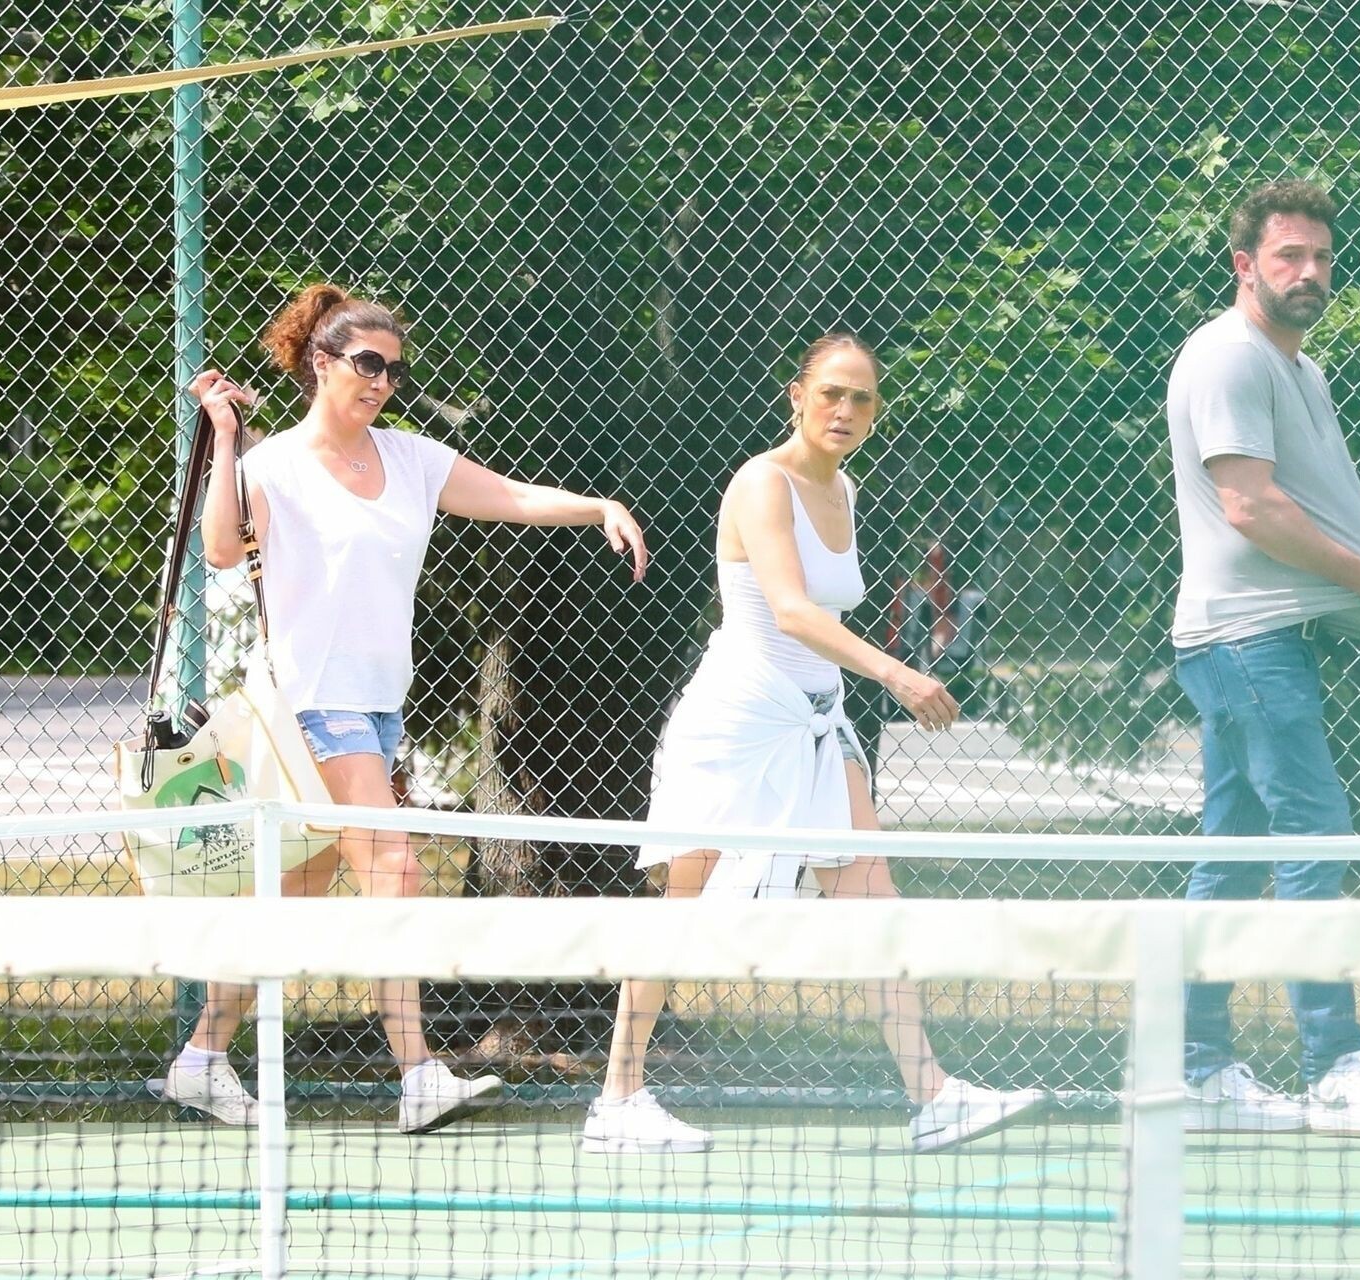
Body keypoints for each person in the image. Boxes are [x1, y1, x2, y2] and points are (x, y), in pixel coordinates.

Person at [167, 283, 649, 1134]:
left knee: (292, 895)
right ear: (321, 363)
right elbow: (219, 549)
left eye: (392, 369)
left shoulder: (413, 459)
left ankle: (202, 1059)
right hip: (314, 704)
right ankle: (420, 1074)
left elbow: (508, 496)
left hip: (377, 708)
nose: (382, 381)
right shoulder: (275, 465)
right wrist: (226, 439)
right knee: (394, 868)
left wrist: (598, 507)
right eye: (366, 363)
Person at [581, 333, 1046, 1156]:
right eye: (831, 392)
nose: (845, 410)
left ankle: (933, 1096)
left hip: (818, 722)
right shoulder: (762, 482)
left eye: (862, 398)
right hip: (736, 721)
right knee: (683, 900)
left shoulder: (845, 488)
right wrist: (898, 674)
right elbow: (792, 612)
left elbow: (818, 619)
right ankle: (618, 1098)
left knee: (873, 899)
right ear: (797, 396)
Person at [1166, 180, 1360, 1135]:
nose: (1310, 273)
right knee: (1314, 825)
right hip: (1240, 639)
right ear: (1245, 265)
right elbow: (1251, 507)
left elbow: (1337, 495)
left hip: (1264, 640)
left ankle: (1194, 1071)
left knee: (1233, 855)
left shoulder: (1304, 372)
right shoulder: (1227, 356)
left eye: (1323, 258)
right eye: (1289, 255)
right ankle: (1334, 1065)